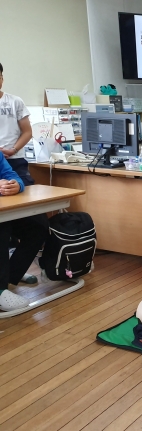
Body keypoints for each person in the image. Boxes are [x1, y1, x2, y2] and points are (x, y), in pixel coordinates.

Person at [0, 152, 48, 311]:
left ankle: (10, 275)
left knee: (38, 227)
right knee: (2, 228)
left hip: (4, 208)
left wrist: (16, 184)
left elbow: (12, 175)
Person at [0, 62, 34, 186]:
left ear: (2, 78)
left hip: (15, 159)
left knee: (23, 191)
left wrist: (13, 150)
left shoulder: (15, 101)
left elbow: (27, 131)